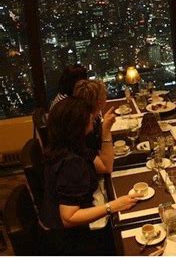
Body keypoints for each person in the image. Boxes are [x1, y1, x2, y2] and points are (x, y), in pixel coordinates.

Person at [40, 97, 138, 255]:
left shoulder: (68, 144)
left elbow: (106, 167)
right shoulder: (71, 163)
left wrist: (105, 130)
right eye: (89, 118)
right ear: (76, 126)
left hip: (72, 225)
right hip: (75, 240)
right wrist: (112, 206)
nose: (93, 121)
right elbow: (69, 217)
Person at [73, 79, 112, 153]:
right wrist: (106, 129)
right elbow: (105, 163)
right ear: (100, 102)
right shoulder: (85, 129)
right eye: (105, 94)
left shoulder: (95, 118)